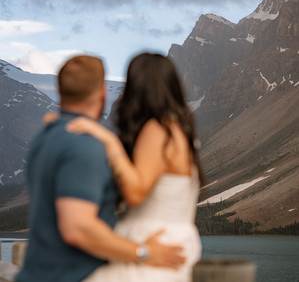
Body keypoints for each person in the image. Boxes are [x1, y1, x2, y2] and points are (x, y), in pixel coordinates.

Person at [16, 55, 186, 282]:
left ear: (59, 90)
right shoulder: (85, 144)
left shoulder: (43, 138)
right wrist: (143, 252)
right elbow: (78, 228)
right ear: (103, 93)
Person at [67, 52, 203, 282]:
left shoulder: (160, 130)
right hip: (166, 243)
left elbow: (135, 192)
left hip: (154, 246)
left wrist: (109, 142)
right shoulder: (178, 130)